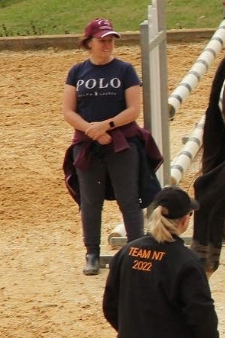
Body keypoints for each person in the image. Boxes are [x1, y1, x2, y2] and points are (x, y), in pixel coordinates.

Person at [62, 17, 160, 275]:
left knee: (129, 198)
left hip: (121, 143)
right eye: (101, 40)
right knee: (90, 201)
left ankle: (137, 250)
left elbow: (133, 110)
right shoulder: (77, 72)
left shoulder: (125, 70)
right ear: (89, 42)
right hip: (87, 143)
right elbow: (68, 111)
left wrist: (106, 126)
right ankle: (92, 252)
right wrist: (92, 131)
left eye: (110, 41)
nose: (107, 45)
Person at [103, 186, 221, 338]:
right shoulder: (187, 262)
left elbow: (110, 306)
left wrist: (136, 335)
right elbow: (202, 317)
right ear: (184, 220)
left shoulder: (126, 253)